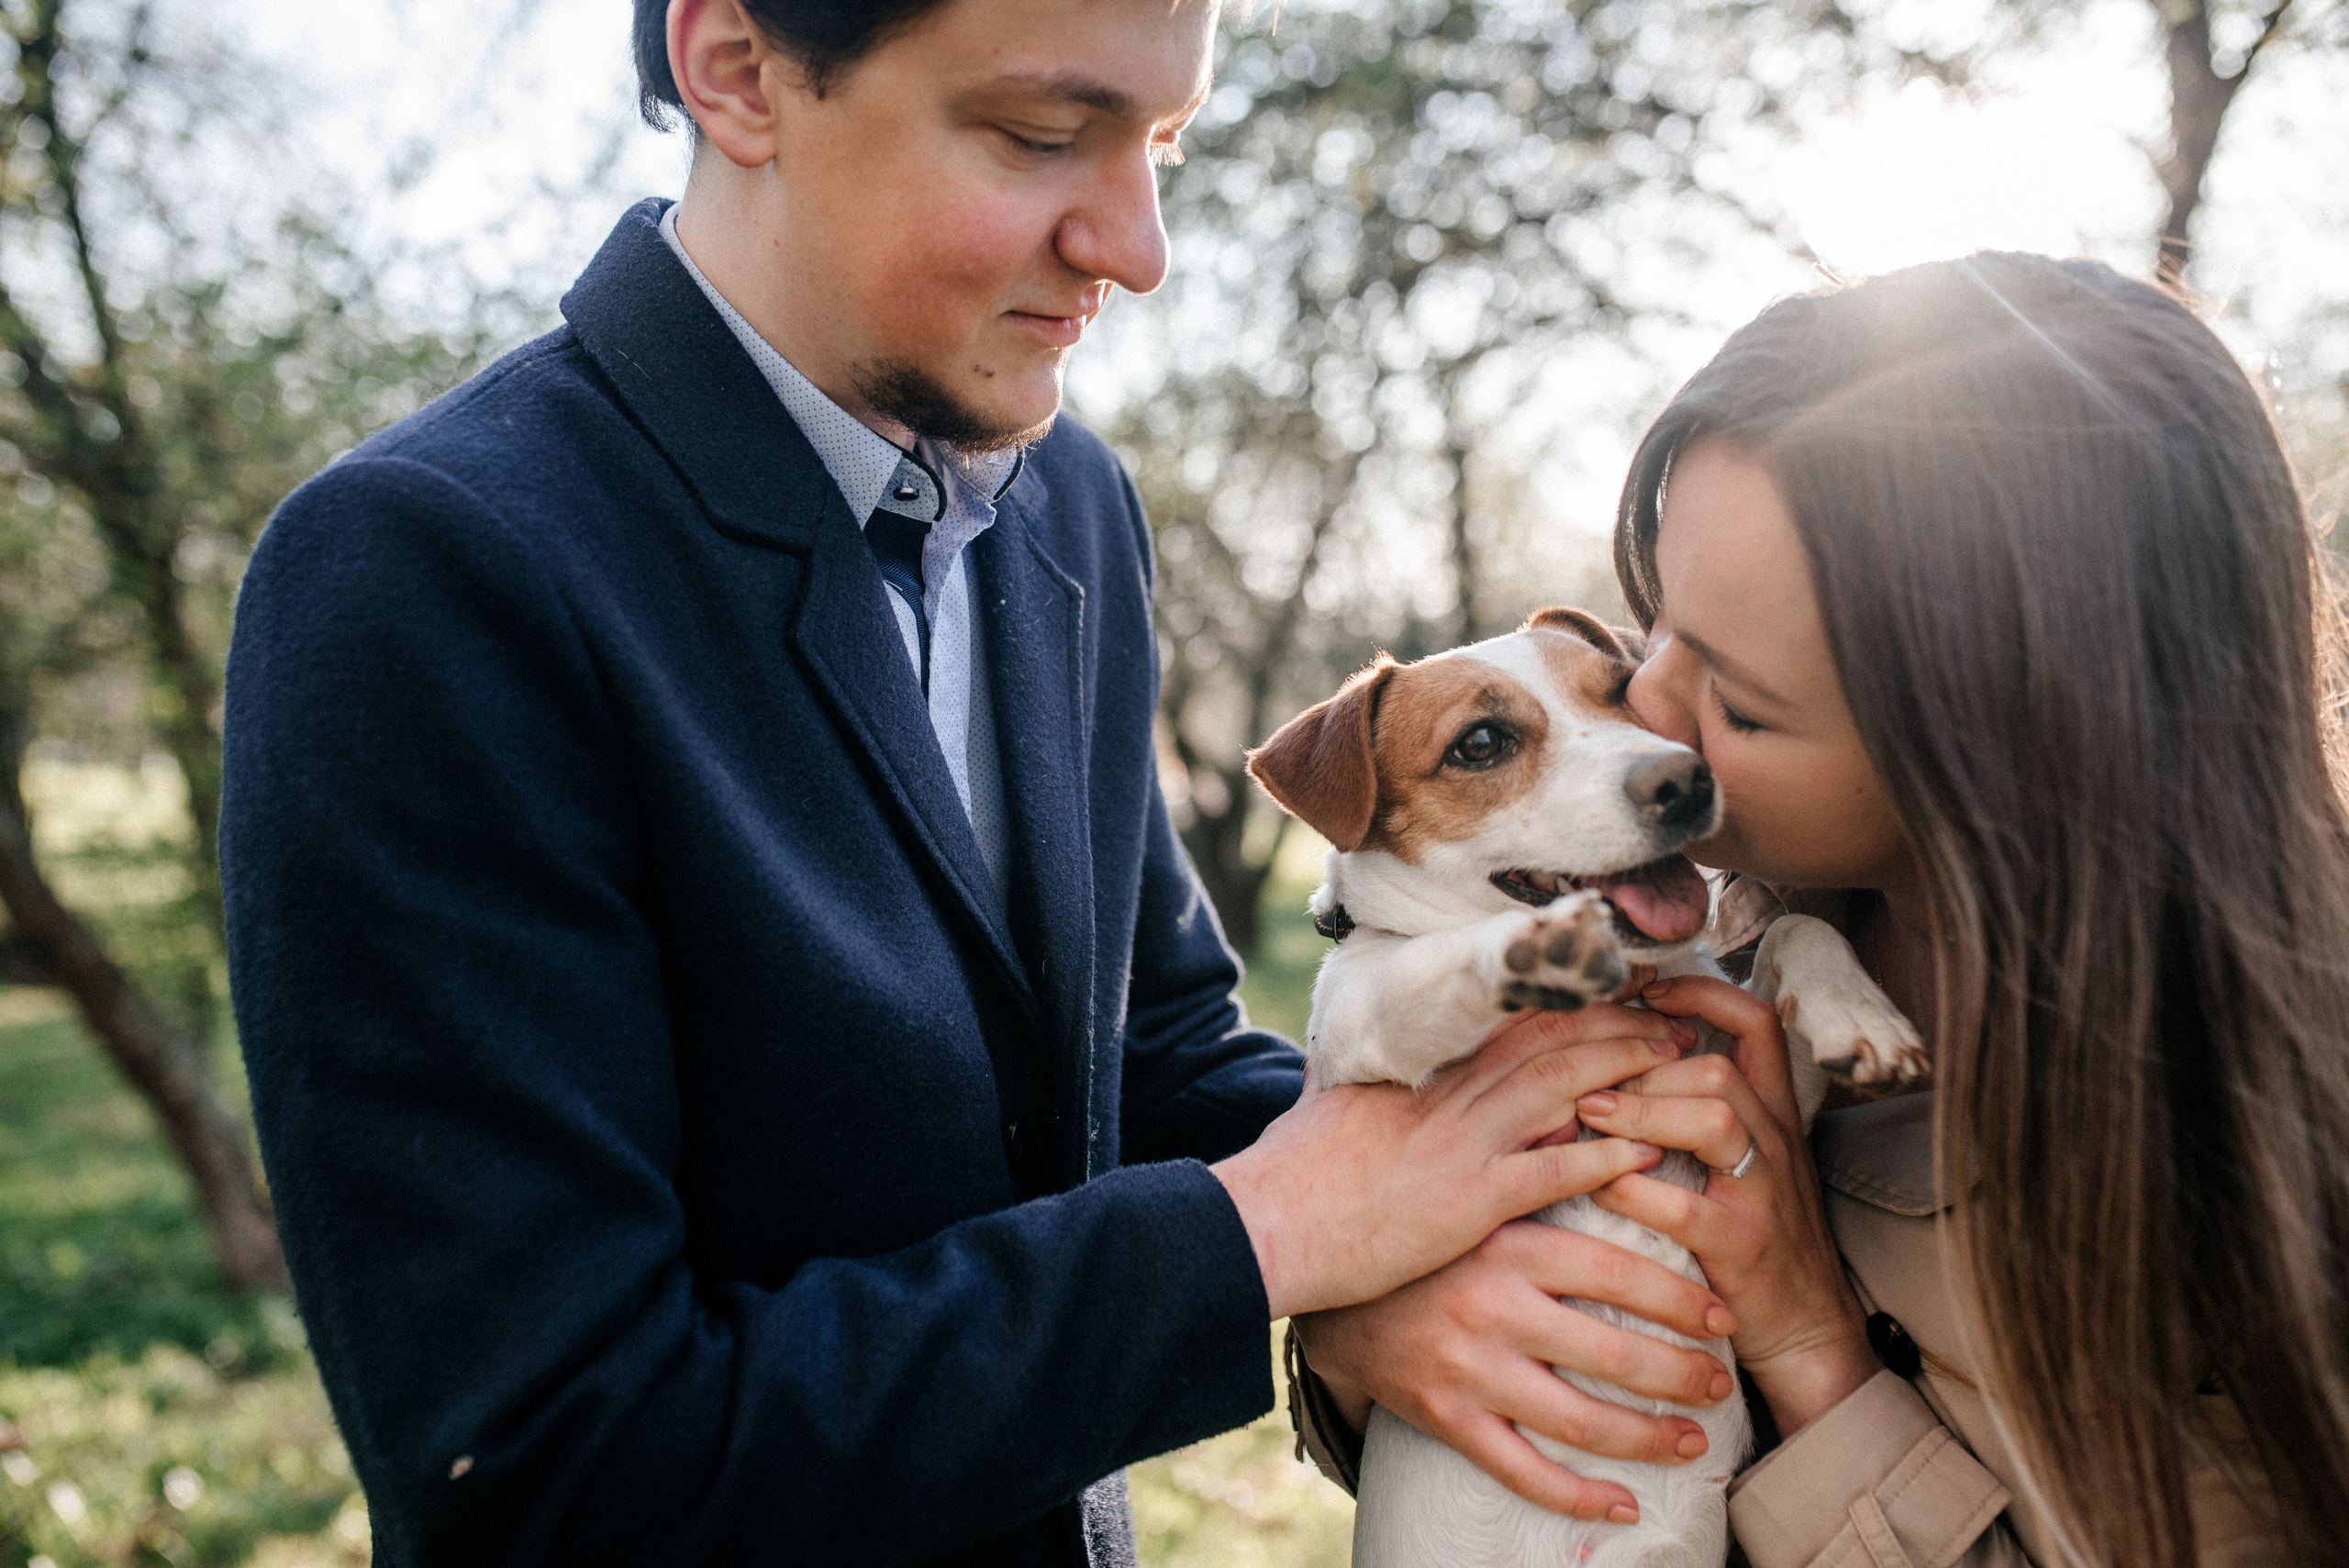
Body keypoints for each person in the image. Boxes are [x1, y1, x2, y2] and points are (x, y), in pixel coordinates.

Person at [218, 2, 1734, 1562]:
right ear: (736, 70)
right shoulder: (423, 570)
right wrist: (1264, 1242)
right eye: (1037, 135)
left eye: (1164, 144)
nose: (1140, 249)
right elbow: (552, 1466)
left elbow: (1148, 1050)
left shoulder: (1068, 499)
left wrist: (1465, 1218)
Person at [1290, 255, 2349, 1562]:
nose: (1654, 729)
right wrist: (1363, 1337)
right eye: (1649, 637)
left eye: (1736, 700)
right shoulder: (1705, 933)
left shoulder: (2263, 1184)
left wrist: (1805, 1342)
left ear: (2002, 746)